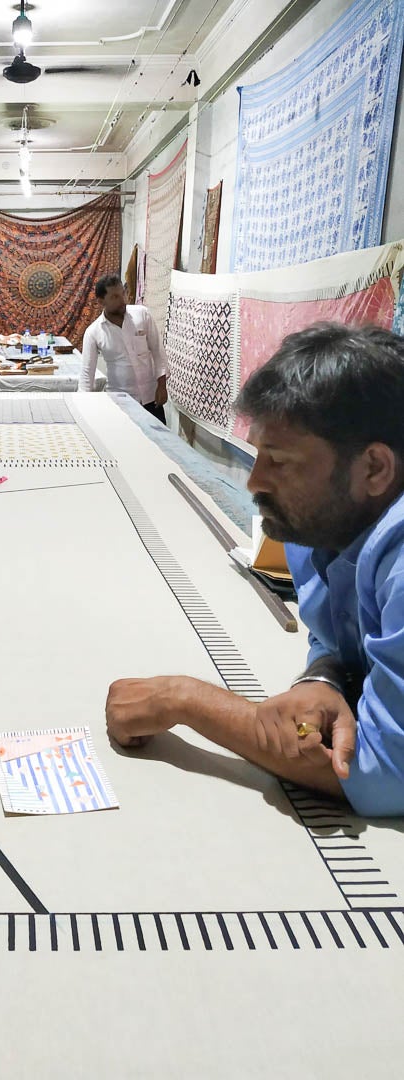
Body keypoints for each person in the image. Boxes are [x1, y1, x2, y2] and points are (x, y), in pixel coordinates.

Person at [106, 323, 404, 817]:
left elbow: (382, 775)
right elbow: (333, 645)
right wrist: (324, 680)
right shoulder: (318, 531)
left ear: (373, 468)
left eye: (280, 462)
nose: (254, 481)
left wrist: (186, 700)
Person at [79, 274, 168, 421]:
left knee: (159, 443)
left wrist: (162, 385)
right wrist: (84, 407)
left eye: (123, 293)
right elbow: (87, 374)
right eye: (115, 297)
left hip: (150, 398)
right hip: (120, 401)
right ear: (101, 301)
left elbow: (158, 351)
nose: (122, 300)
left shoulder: (142, 315)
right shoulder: (94, 332)